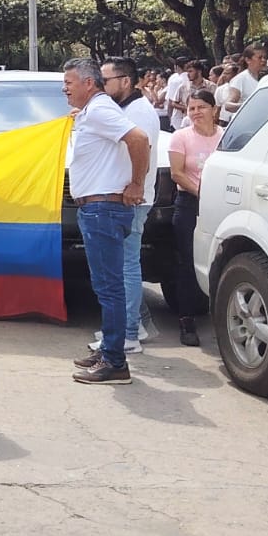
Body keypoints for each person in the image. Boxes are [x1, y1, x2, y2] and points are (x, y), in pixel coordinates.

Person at [63, 58, 151, 386]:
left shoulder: (100, 110)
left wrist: (137, 184)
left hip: (104, 208)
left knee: (110, 288)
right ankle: (109, 350)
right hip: (96, 209)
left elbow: (139, 139)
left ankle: (115, 361)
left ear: (89, 83)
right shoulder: (94, 113)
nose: (64, 89)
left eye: (69, 83)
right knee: (105, 288)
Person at [89, 58, 163, 358]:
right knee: (124, 265)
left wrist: (135, 186)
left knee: (126, 266)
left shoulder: (139, 112)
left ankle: (129, 334)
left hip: (132, 200)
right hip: (126, 197)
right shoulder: (124, 109)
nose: (102, 87)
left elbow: (140, 147)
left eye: (106, 81)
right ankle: (133, 324)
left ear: (126, 81)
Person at [167, 91, 222, 348]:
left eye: (201, 107)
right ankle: (186, 319)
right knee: (188, 262)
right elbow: (177, 174)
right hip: (190, 204)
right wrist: (202, 194)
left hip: (223, 206)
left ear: (214, 109)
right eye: (191, 108)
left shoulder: (226, 137)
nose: (196, 112)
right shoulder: (181, 137)